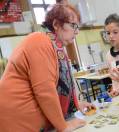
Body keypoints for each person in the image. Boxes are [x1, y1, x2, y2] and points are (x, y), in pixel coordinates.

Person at [0, 4, 95, 132]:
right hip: (18, 123)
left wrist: (77, 105)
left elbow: (57, 89)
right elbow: (45, 91)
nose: (77, 31)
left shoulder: (55, 48)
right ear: (56, 24)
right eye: (73, 25)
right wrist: (64, 126)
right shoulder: (40, 41)